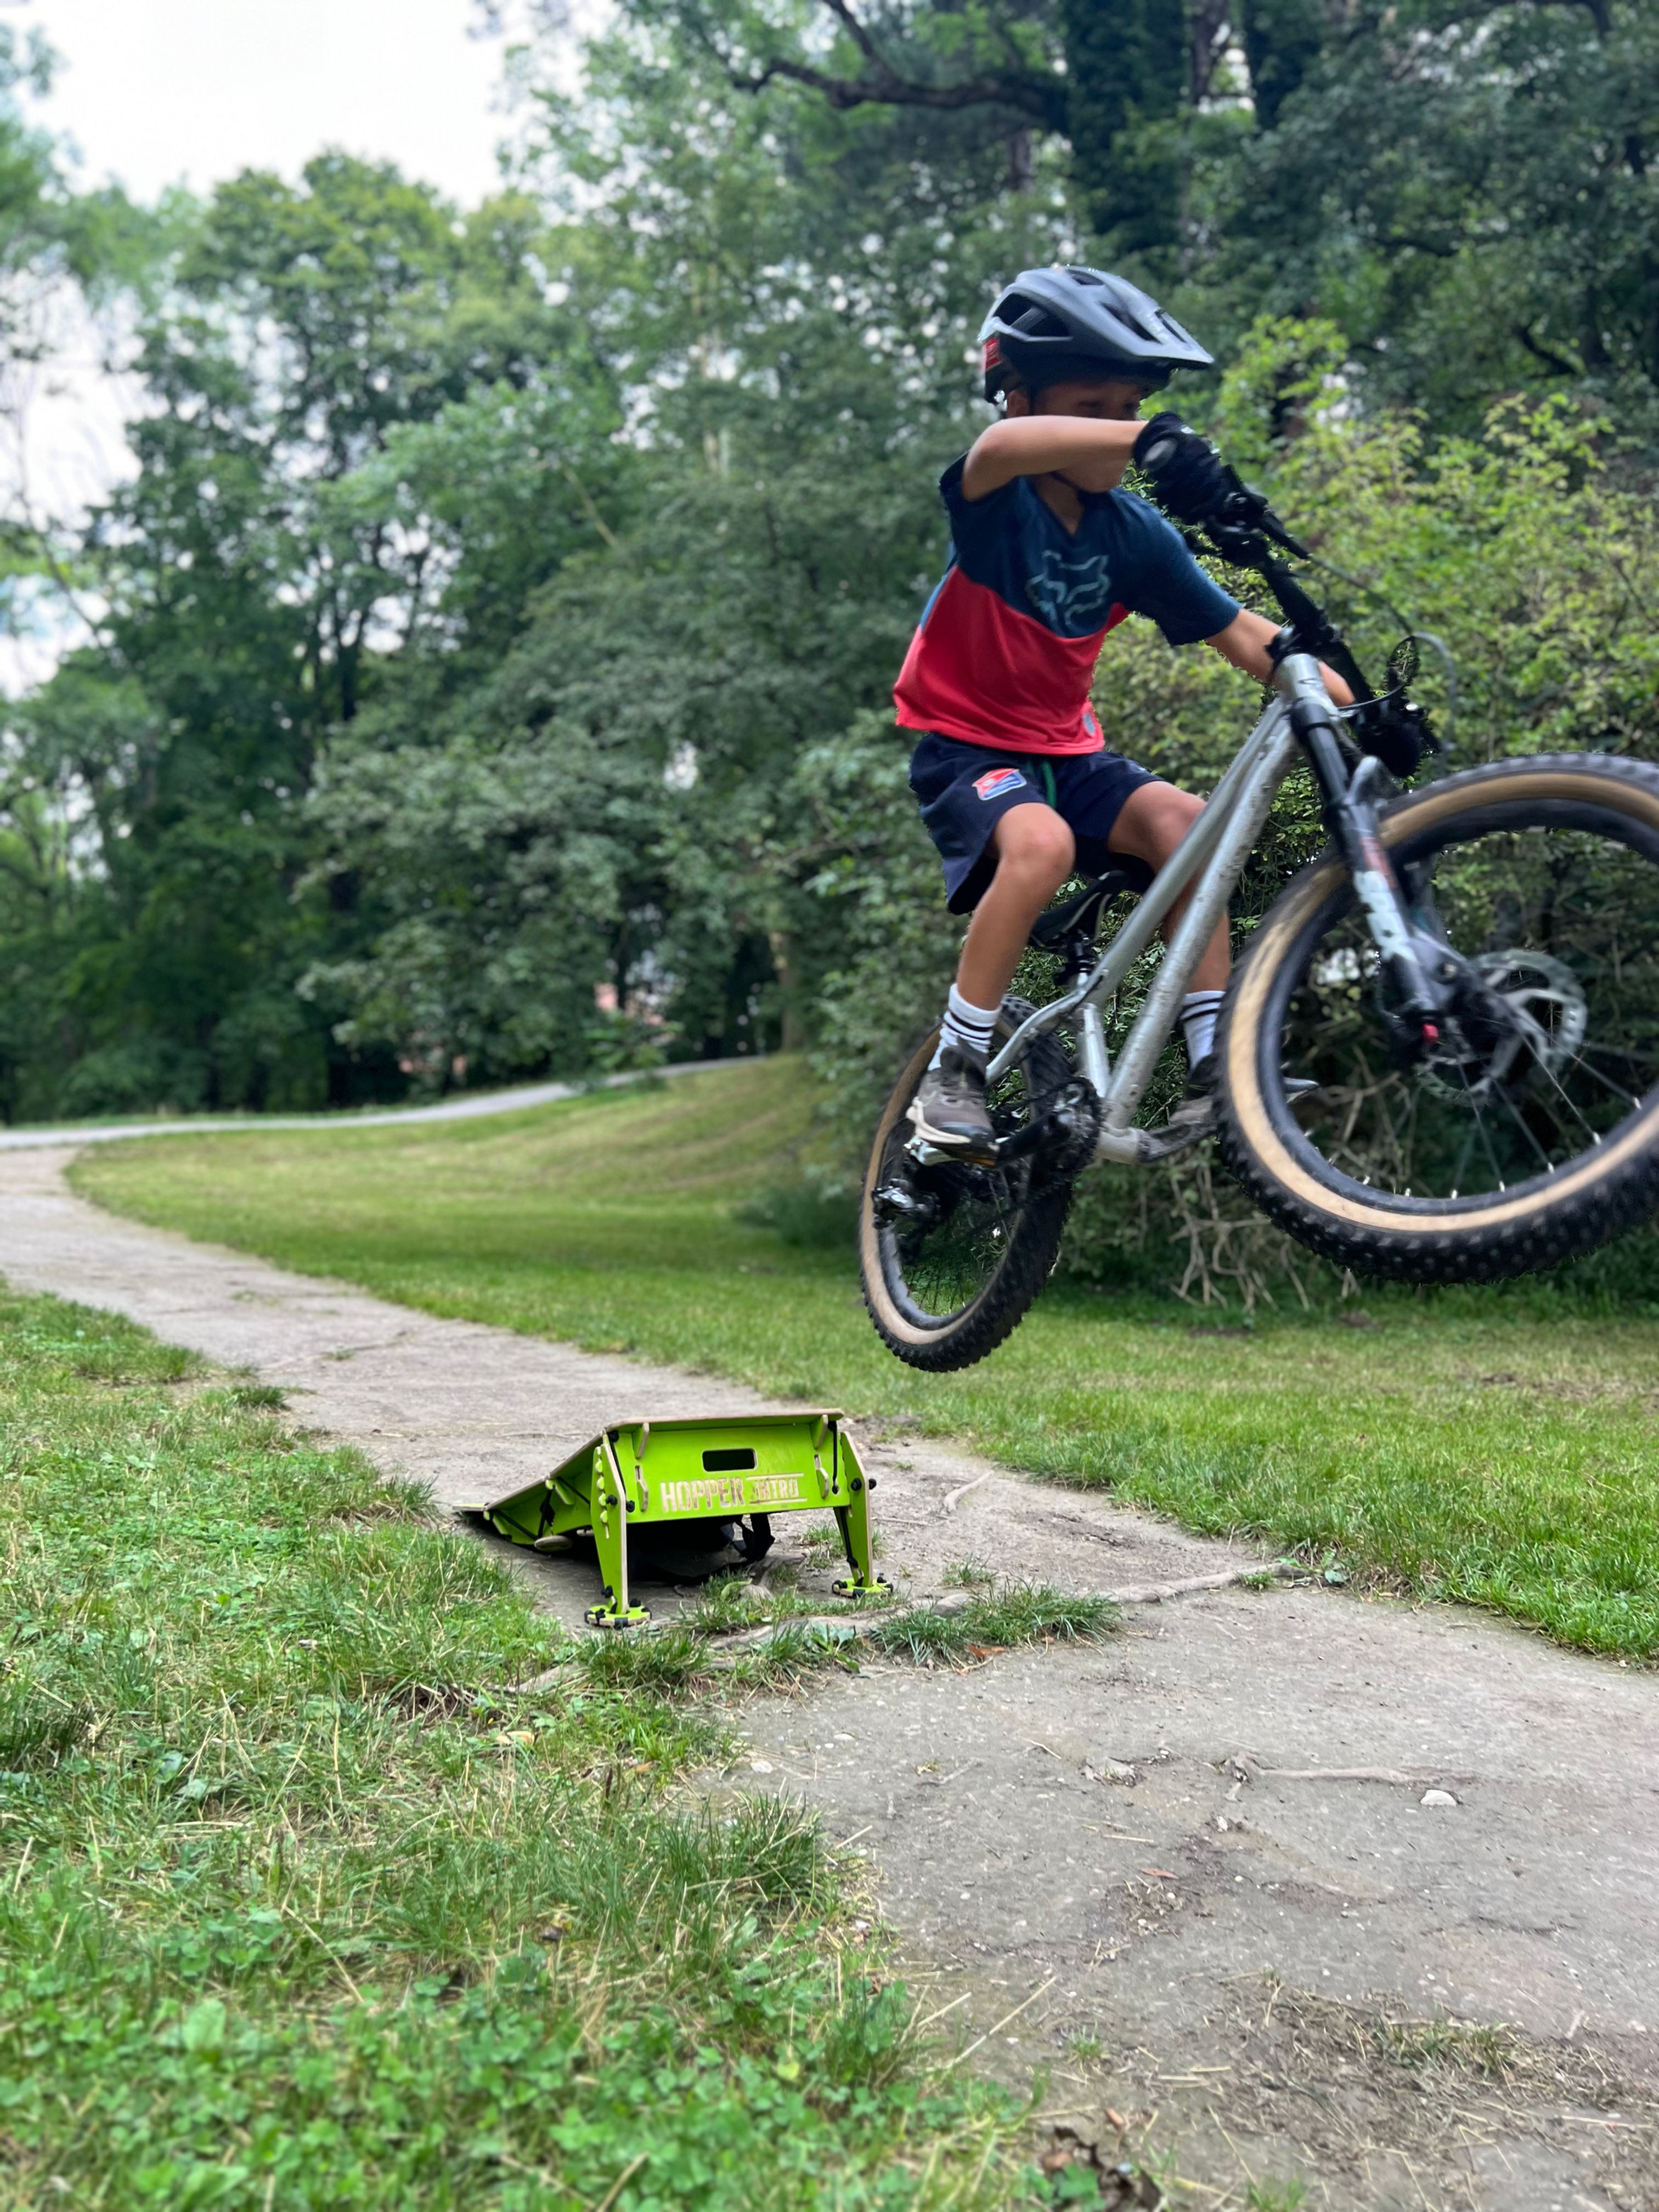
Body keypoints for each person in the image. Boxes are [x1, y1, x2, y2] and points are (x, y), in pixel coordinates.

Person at [894, 263, 1351, 1155]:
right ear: (1022, 401)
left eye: (1131, 405)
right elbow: (996, 451)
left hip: (1069, 755)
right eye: (1092, 408)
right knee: (1041, 846)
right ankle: (956, 1064)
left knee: (1190, 825)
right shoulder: (1002, 502)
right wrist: (1151, 435)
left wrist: (1353, 707)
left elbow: (1246, 635)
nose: (1118, 427)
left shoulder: (1133, 536)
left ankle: (1216, 1064)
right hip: (966, 749)